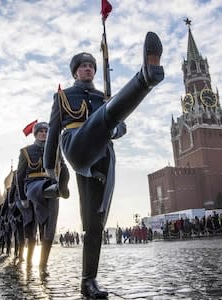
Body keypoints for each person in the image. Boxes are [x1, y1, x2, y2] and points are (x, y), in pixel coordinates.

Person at [44, 32, 164, 298]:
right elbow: (53, 132)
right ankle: (145, 77)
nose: (88, 68)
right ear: (75, 72)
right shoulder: (64, 97)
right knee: (103, 117)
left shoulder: (104, 97)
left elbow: (121, 127)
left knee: (94, 224)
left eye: (91, 66)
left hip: (102, 158)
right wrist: (51, 172)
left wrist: (118, 128)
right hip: (76, 145)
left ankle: (89, 282)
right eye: (83, 66)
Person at [16, 121, 69, 277]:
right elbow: (19, 176)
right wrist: (22, 197)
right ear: (36, 133)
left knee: (49, 230)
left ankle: (43, 265)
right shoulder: (26, 151)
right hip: (32, 185)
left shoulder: (54, 150)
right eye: (41, 131)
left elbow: (62, 166)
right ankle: (59, 189)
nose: (44, 134)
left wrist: (63, 167)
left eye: (47, 132)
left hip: (52, 185)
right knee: (42, 188)